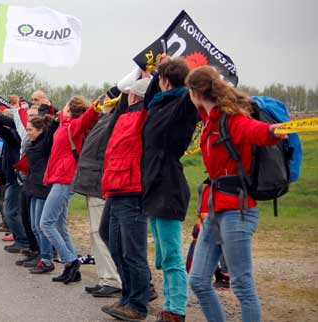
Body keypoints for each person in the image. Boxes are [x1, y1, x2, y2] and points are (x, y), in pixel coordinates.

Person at [186, 66, 286, 322]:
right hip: (214, 211)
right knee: (198, 280)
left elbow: (256, 131)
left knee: (242, 284)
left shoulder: (231, 120)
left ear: (195, 92)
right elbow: (200, 106)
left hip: (237, 213)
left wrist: (273, 131)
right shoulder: (209, 118)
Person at [138, 57, 199, 322]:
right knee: (162, 259)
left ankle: (175, 311)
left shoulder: (183, 104)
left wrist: (178, 68)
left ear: (166, 81)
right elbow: (150, 96)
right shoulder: (158, 105)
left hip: (169, 185)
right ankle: (171, 305)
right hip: (152, 185)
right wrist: (155, 72)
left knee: (172, 257)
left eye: (160, 78)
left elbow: (192, 93)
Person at [100, 79, 153, 321]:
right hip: (115, 187)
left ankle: (138, 304)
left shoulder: (145, 114)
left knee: (133, 251)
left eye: (128, 94)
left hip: (131, 188)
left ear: (134, 97)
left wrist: (149, 73)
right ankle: (127, 296)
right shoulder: (123, 116)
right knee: (111, 241)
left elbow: (150, 96)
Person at [41, 96, 102, 284]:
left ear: (70, 108)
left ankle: (70, 261)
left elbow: (89, 116)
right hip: (58, 178)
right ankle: (73, 270)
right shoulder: (63, 124)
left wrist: (98, 103)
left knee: (46, 223)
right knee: (59, 225)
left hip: (65, 180)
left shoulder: (74, 125)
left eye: (66, 103)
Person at [70, 86, 123, 298]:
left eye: (107, 100)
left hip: (99, 184)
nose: (102, 103)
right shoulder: (103, 120)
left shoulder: (113, 121)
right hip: (91, 184)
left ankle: (112, 279)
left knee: (100, 233)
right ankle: (104, 277)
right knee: (94, 233)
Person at [0, 108, 30, 254]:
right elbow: (1, 131)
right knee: (10, 211)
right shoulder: (11, 134)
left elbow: (4, 130)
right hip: (11, 178)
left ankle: (23, 240)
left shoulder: (18, 135)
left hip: (17, 179)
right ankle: (20, 239)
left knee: (11, 211)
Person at [24, 113, 59, 274]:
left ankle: (47, 259)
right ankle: (41, 255)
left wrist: (51, 121)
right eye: (27, 129)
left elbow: (51, 133)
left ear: (40, 130)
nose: (28, 132)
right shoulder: (32, 143)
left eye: (31, 130)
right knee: (34, 226)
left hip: (43, 188)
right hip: (32, 187)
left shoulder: (44, 143)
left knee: (41, 226)